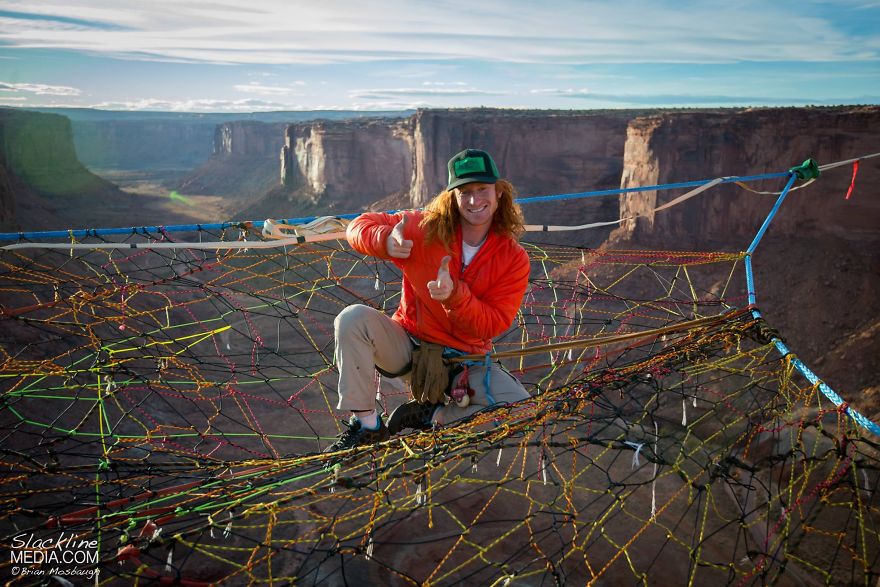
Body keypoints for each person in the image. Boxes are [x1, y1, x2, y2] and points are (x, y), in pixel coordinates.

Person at [326, 148, 532, 452]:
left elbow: (492, 324)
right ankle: (368, 425)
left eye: (482, 190)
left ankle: (432, 416)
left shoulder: (513, 258)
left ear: (499, 193)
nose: (474, 200)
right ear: (452, 197)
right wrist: (385, 241)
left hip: (465, 360)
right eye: (464, 192)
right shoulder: (424, 229)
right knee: (352, 319)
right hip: (408, 347)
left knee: (523, 412)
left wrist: (454, 296)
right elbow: (358, 225)